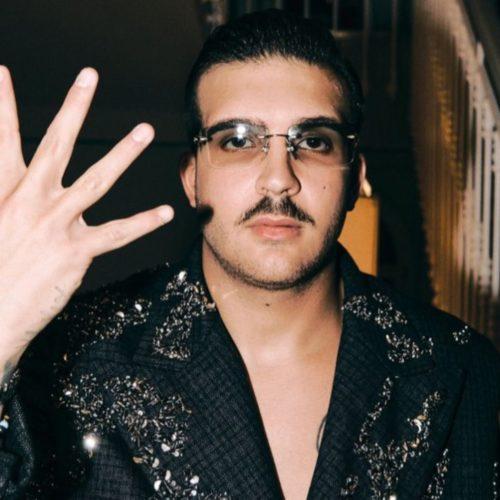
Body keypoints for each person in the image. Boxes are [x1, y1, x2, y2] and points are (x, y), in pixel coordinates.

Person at [0, 8, 498, 500]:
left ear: (354, 179)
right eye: (238, 141)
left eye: (314, 141)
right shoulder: (71, 358)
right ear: (192, 178)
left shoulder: (461, 368)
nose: (278, 178)